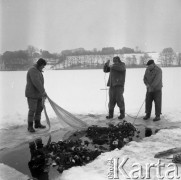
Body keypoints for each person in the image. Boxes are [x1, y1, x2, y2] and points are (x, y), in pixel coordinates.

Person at [25, 58, 47, 132]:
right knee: (32, 110)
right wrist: (43, 91)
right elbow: (36, 82)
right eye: (43, 66)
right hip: (32, 94)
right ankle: (30, 126)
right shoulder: (33, 70)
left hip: (38, 94)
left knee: (39, 109)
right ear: (39, 64)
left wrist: (42, 92)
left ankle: (37, 123)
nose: (43, 67)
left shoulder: (38, 70)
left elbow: (40, 83)